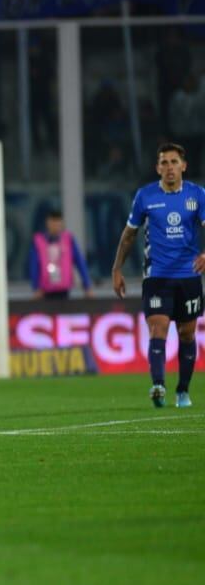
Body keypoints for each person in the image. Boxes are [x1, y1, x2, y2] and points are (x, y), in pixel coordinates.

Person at [111, 142, 205, 409]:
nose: (170, 168)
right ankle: (158, 386)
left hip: (188, 276)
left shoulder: (198, 195)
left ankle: (183, 391)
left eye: (174, 162)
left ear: (184, 166)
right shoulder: (145, 196)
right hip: (157, 276)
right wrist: (117, 268)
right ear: (158, 168)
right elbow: (129, 234)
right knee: (158, 329)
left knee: (187, 335)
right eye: (164, 163)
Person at [29, 210, 94, 300]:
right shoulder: (39, 241)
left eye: (58, 223)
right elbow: (34, 265)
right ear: (48, 223)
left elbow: (80, 262)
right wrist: (35, 287)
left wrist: (87, 286)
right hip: (44, 291)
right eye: (53, 223)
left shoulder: (68, 240)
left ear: (62, 223)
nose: (56, 226)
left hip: (64, 290)